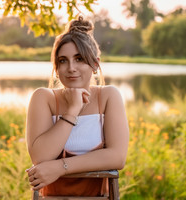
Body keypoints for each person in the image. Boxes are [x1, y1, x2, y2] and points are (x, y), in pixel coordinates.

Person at [25, 16, 129, 196]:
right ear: (56, 68)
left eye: (79, 59)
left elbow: (117, 157)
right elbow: (40, 157)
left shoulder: (108, 96)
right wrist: (72, 110)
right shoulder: (44, 98)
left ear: (95, 64)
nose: (71, 67)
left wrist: (61, 167)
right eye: (63, 60)